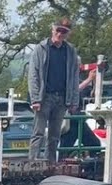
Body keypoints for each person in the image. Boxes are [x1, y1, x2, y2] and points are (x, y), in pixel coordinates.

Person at [27, 18, 81, 162]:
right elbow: (33, 75)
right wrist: (35, 99)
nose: (60, 34)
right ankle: (32, 163)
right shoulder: (41, 48)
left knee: (55, 135)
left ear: (68, 34)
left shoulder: (71, 51)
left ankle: (50, 164)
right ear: (53, 30)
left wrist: (73, 100)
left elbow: (74, 77)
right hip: (44, 97)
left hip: (62, 98)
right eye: (58, 30)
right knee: (38, 133)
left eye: (64, 31)